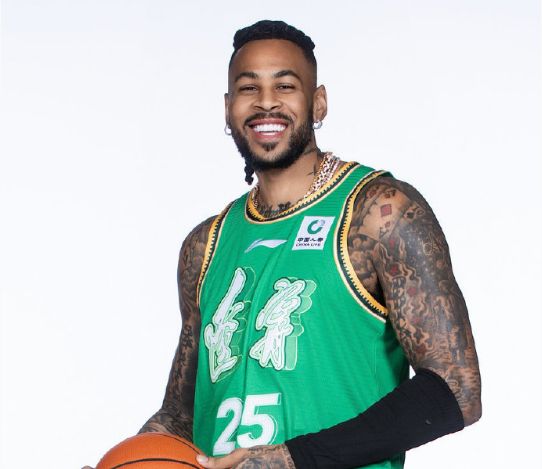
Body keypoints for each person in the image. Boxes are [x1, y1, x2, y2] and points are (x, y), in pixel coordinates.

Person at [86, 20, 481, 469]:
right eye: (248, 88)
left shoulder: (378, 214)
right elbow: (180, 416)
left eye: (285, 85)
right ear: (228, 107)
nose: (266, 101)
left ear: (318, 102)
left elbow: (456, 389)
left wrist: (293, 459)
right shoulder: (205, 246)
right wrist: (121, 462)